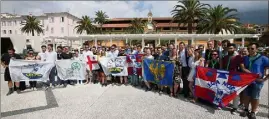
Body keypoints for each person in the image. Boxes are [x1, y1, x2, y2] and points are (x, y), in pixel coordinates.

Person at [240, 43, 269, 119]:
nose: (250, 50)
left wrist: (265, 79)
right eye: (249, 48)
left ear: (256, 49)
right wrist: (252, 74)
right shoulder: (245, 58)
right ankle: (246, 109)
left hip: (257, 82)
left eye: (252, 48)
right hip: (247, 81)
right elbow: (243, 68)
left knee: (255, 97)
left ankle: (253, 112)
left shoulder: (263, 58)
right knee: (246, 95)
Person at [221, 43, 244, 113]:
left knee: (235, 91)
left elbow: (242, 68)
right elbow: (222, 67)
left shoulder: (238, 57)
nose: (230, 49)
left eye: (231, 48)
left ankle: (235, 107)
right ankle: (224, 103)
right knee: (225, 90)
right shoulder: (225, 57)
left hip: (234, 76)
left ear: (234, 49)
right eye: (229, 48)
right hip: (226, 76)